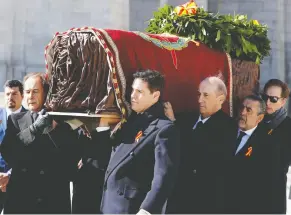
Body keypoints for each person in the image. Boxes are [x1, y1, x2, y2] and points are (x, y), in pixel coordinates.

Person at [92, 70, 180, 214]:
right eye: (133, 90)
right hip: (109, 207)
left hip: (133, 209)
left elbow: (163, 176)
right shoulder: (129, 123)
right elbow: (107, 162)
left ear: (155, 95)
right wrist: (103, 126)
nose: (133, 95)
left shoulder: (164, 130)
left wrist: (147, 210)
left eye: (140, 91)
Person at [0, 73, 80, 214]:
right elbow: (9, 152)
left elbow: (71, 159)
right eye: (27, 92)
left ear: (46, 93)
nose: (30, 96)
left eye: (35, 91)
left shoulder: (62, 121)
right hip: (22, 201)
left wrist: (56, 128)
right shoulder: (15, 120)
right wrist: (34, 129)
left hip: (52, 201)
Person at [164, 76, 237, 213]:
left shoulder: (228, 127)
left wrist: (174, 125)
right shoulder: (186, 119)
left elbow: (202, 153)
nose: (199, 100)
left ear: (220, 99)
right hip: (178, 198)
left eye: (206, 95)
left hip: (205, 201)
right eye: (199, 94)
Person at [226, 95, 271, 213]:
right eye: (242, 108)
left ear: (259, 118)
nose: (242, 112)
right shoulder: (225, 131)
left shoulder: (266, 145)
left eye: (249, 110)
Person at [261, 79, 291, 213]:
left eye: (273, 99)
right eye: (265, 97)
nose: (267, 103)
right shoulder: (258, 121)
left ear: (283, 101)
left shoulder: (288, 126)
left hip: (274, 191)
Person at [0, 80, 26, 212]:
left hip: (19, 179)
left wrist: (10, 175)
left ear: (22, 96)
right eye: (8, 94)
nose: (10, 97)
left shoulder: (31, 118)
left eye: (15, 94)